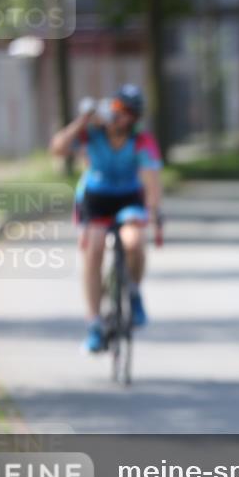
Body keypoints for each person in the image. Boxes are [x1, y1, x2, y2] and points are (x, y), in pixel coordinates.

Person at [49, 84, 163, 352]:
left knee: (134, 242)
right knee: (94, 249)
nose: (120, 116)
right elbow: (58, 149)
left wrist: (154, 211)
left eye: (128, 113)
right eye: (117, 109)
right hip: (95, 198)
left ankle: (133, 291)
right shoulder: (92, 132)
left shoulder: (141, 140)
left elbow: (152, 183)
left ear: (135, 119)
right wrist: (82, 121)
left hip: (128, 198)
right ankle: (94, 324)